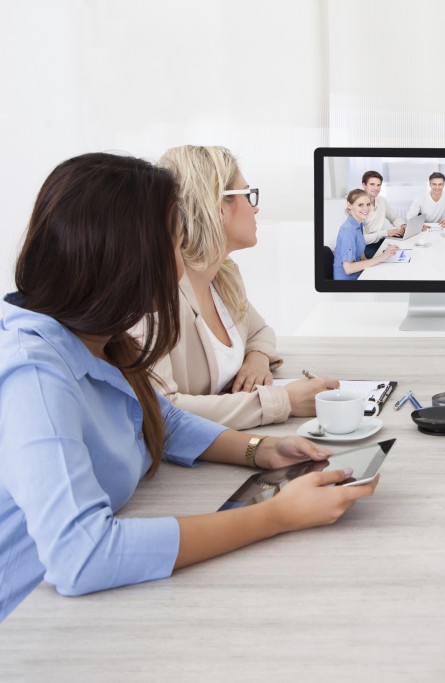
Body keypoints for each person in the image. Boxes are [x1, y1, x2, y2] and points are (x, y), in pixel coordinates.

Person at [0, 152, 378, 622]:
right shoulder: (33, 377)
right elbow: (83, 556)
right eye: (176, 248)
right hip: (23, 622)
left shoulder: (97, 337)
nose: (182, 269)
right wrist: (278, 515)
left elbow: (161, 418)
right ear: (123, 257)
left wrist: (263, 451)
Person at [152, 146, 338, 431]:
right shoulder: (155, 298)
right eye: (248, 195)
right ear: (217, 205)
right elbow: (163, 411)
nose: (256, 207)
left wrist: (257, 359)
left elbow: (260, 332)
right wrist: (283, 400)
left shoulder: (223, 275)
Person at [333, 188, 399, 280]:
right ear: (349, 205)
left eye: (368, 204)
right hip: (348, 281)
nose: (366, 209)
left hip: (360, 273)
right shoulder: (348, 230)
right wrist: (382, 257)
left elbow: (362, 256)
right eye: (360, 205)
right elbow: (348, 269)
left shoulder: (358, 224)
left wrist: (383, 258)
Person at [360, 170, 406, 259]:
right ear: (364, 185)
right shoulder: (359, 206)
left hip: (383, 238)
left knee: (404, 247)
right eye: (372, 184)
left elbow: (394, 218)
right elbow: (361, 239)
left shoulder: (381, 200)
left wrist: (402, 225)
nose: (376, 188)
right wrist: (386, 233)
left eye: (378, 185)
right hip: (368, 245)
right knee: (392, 256)